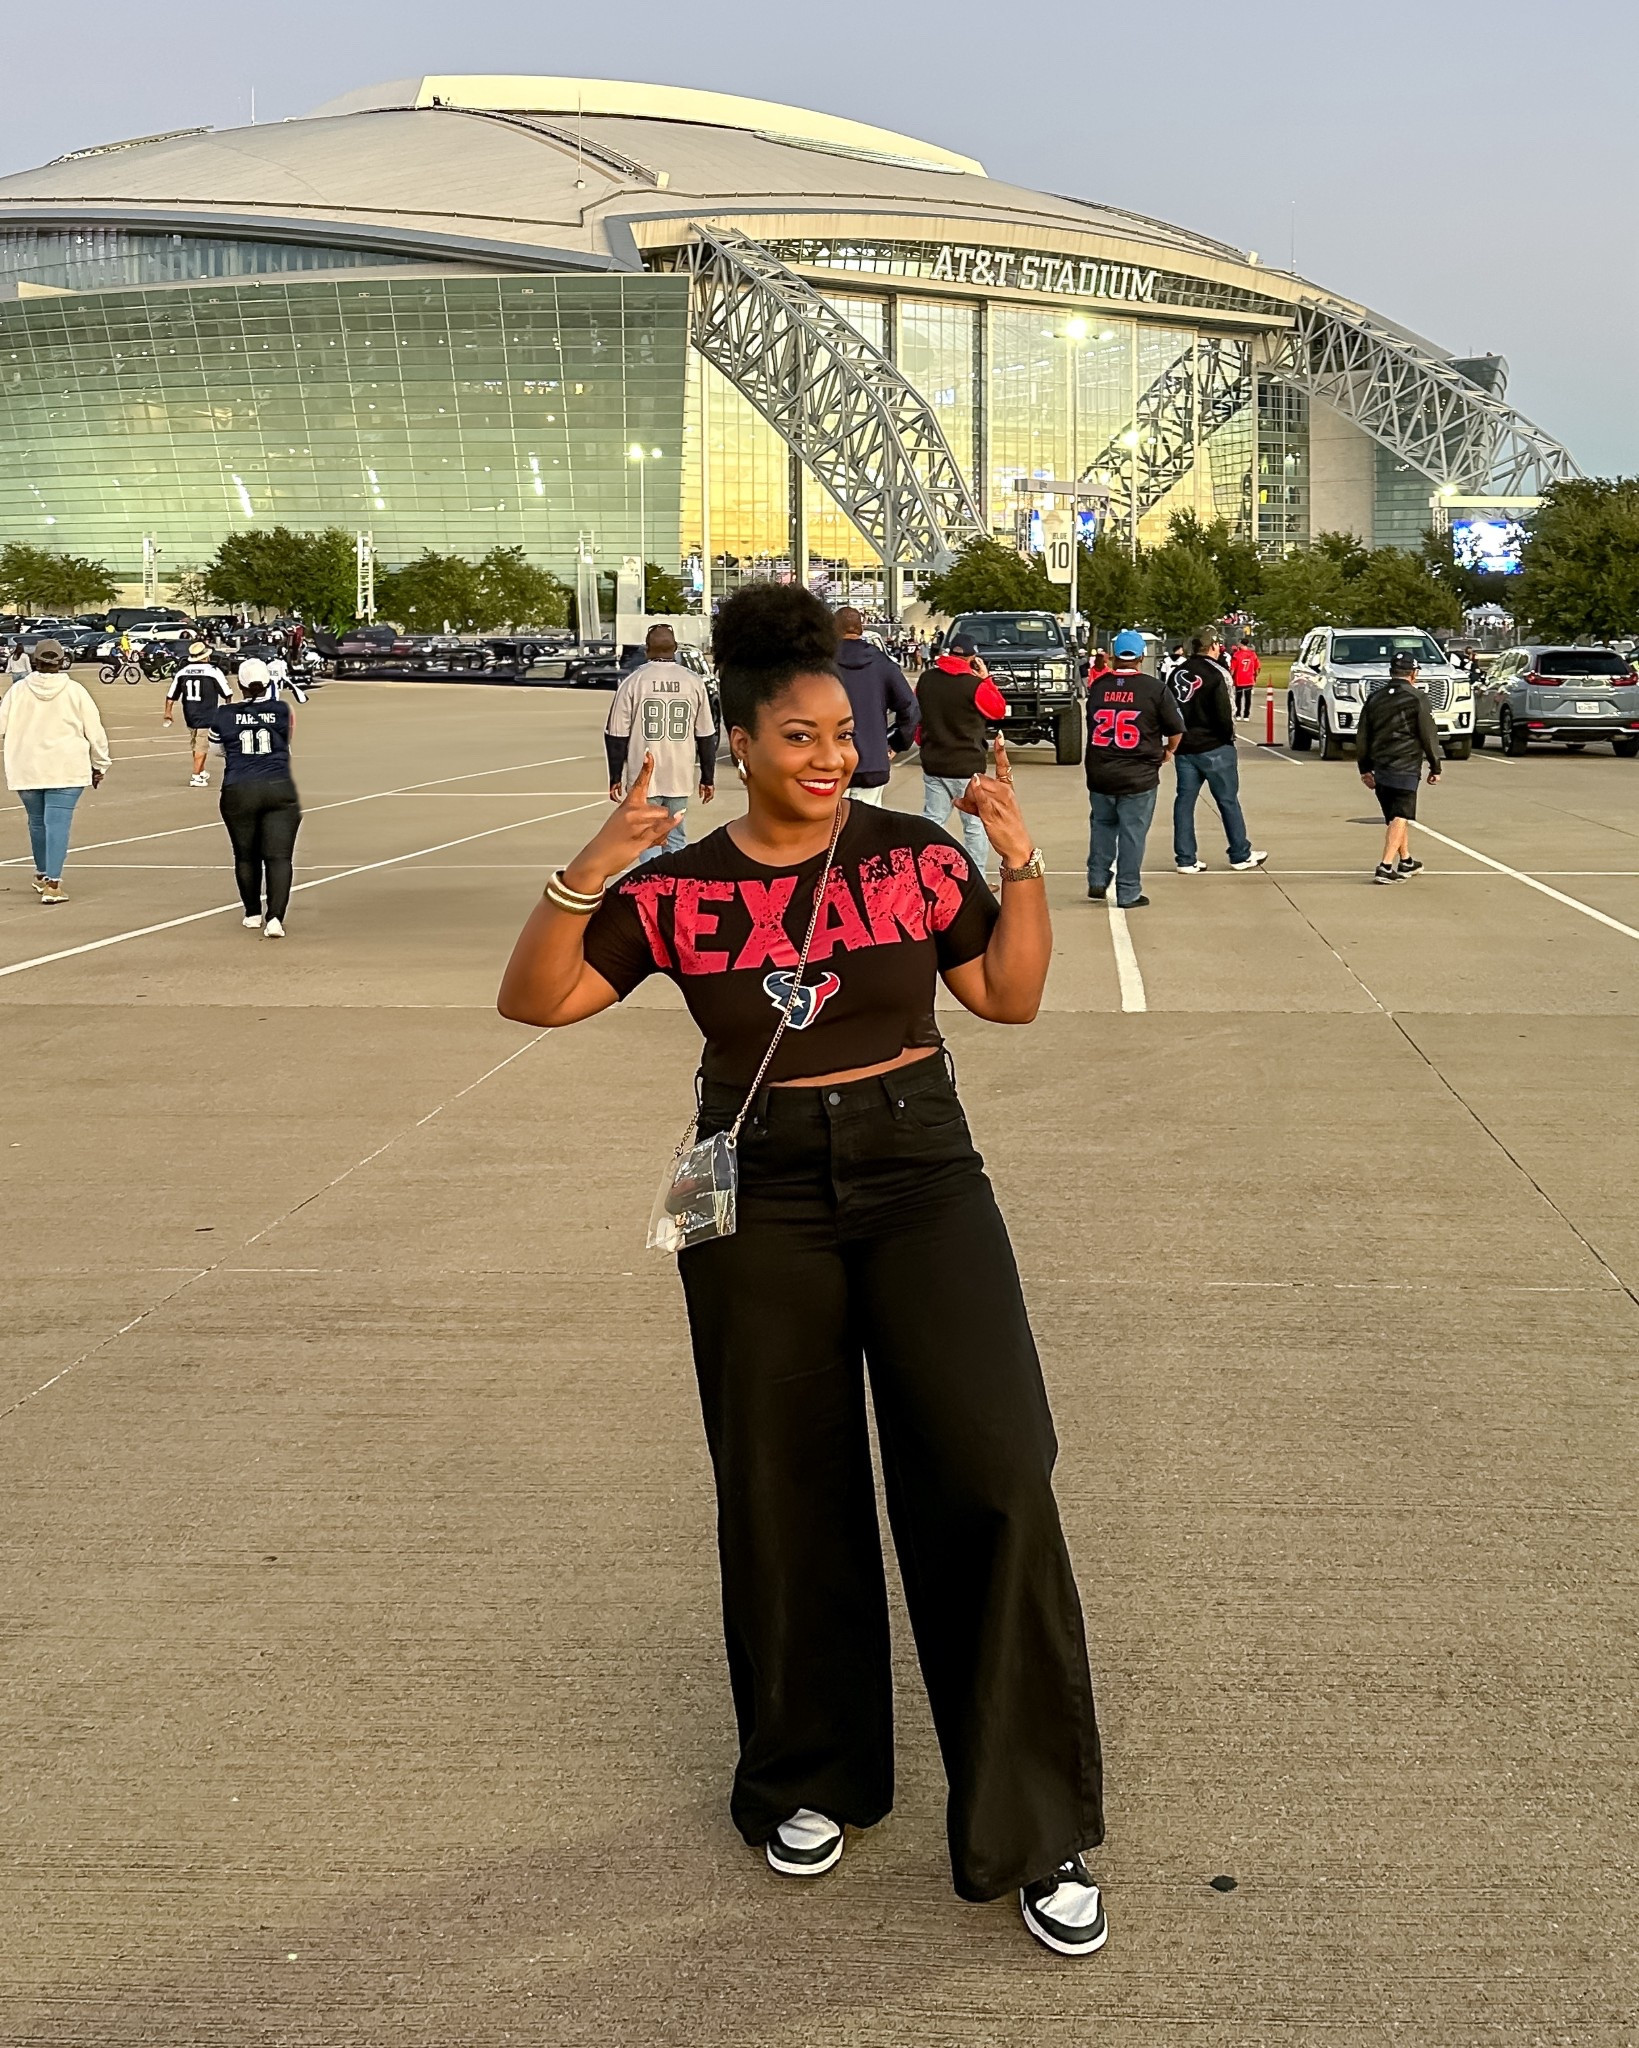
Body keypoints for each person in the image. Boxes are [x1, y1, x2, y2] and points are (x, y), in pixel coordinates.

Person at [499, 583, 1108, 1959]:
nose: (834, 756)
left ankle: (1030, 1826)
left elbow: (1005, 998)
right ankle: (810, 1771)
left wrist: (1018, 863)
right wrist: (594, 860)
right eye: (802, 736)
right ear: (740, 742)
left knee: (995, 1472)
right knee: (782, 1482)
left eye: (846, 733)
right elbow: (539, 997)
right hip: (755, 1184)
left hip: (921, 1171)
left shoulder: (913, 856)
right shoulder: (680, 888)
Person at [0, 638, 109, 906]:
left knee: (37, 822)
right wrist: (100, 764)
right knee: (57, 823)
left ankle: (42, 873)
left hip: (26, 766)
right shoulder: (75, 691)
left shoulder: (17, 691)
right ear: (61, 662)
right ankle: (53, 883)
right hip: (67, 767)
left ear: (35, 661)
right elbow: (95, 731)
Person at [1084, 628, 1183, 908]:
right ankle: (1128, 891)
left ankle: (1097, 877)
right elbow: (1175, 729)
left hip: (1101, 770)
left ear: (1114, 655)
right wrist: (1168, 750)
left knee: (1102, 825)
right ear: (1141, 656)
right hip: (1138, 773)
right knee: (1132, 833)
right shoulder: (1154, 689)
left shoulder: (1099, 687)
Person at [604, 624, 716, 859]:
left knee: (646, 837)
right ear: (675, 649)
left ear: (647, 649)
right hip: (679, 774)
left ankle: (650, 881)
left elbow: (616, 734)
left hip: (644, 775)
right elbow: (706, 734)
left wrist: (615, 776)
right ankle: (674, 880)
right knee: (676, 837)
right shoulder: (693, 682)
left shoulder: (634, 681)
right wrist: (707, 777)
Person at [212, 657, 301, 936]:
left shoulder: (224, 714)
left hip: (239, 787)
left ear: (240, 685)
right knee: (279, 857)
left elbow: (217, 750)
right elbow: (286, 741)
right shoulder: (282, 709)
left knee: (245, 855)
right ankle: (275, 919)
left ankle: (252, 913)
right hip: (278, 787)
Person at [1169, 631, 1267, 874]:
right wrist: (1228, 738)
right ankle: (1240, 853)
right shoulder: (1217, 672)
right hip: (1214, 745)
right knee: (1227, 800)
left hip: (1185, 745)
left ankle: (1185, 858)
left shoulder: (1177, 672)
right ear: (1213, 646)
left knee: (1184, 802)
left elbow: (1169, 709)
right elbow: (1226, 711)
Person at [917, 632, 1008, 867]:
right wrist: (986, 678)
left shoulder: (926, 679)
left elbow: (918, 716)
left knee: (933, 820)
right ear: (972, 657)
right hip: (967, 765)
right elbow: (998, 710)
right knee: (973, 825)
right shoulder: (974, 685)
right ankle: (976, 875)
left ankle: (925, 869)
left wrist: (921, 741)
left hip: (934, 761)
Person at [1357, 648, 1441, 884]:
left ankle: (1406, 860)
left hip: (1380, 765)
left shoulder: (1375, 698)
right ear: (1413, 673)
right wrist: (1435, 766)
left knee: (1394, 815)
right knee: (1401, 815)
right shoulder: (1417, 698)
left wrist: (1364, 768)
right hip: (1405, 764)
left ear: (1391, 672)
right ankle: (1385, 866)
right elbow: (1428, 734)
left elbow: (1363, 734)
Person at [833, 605, 917, 806]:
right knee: (868, 822)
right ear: (861, 628)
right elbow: (910, 708)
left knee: (829, 822)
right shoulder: (882, 664)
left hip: (832, 762)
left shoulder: (820, 665)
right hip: (872, 761)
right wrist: (897, 743)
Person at [164, 641, 236, 786]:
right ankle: (196, 776)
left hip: (189, 713)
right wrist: (228, 709)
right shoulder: (213, 671)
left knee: (196, 744)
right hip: (207, 713)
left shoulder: (183, 672)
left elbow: (171, 695)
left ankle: (201, 770)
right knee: (201, 745)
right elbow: (227, 693)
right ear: (205, 657)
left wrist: (168, 712)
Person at [1229, 638, 1260, 719]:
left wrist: (1230, 677)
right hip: (1249, 678)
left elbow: (1233, 668)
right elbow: (1257, 667)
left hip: (1239, 678)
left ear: (1241, 644)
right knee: (1248, 698)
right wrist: (1255, 676)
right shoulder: (1252, 654)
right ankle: (1246, 715)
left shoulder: (1236, 655)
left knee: (1238, 697)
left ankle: (1238, 714)